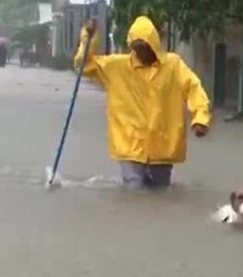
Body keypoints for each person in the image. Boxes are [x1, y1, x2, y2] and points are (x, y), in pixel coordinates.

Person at [74, 16, 211, 189]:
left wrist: (200, 119)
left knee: (161, 194)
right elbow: (83, 65)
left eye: (145, 47)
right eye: (136, 48)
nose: (141, 53)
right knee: (134, 191)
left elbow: (193, 88)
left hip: (162, 146)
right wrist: (88, 38)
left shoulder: (173, 65)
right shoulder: (117, 66)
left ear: (154, 44)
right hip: (130, 145)